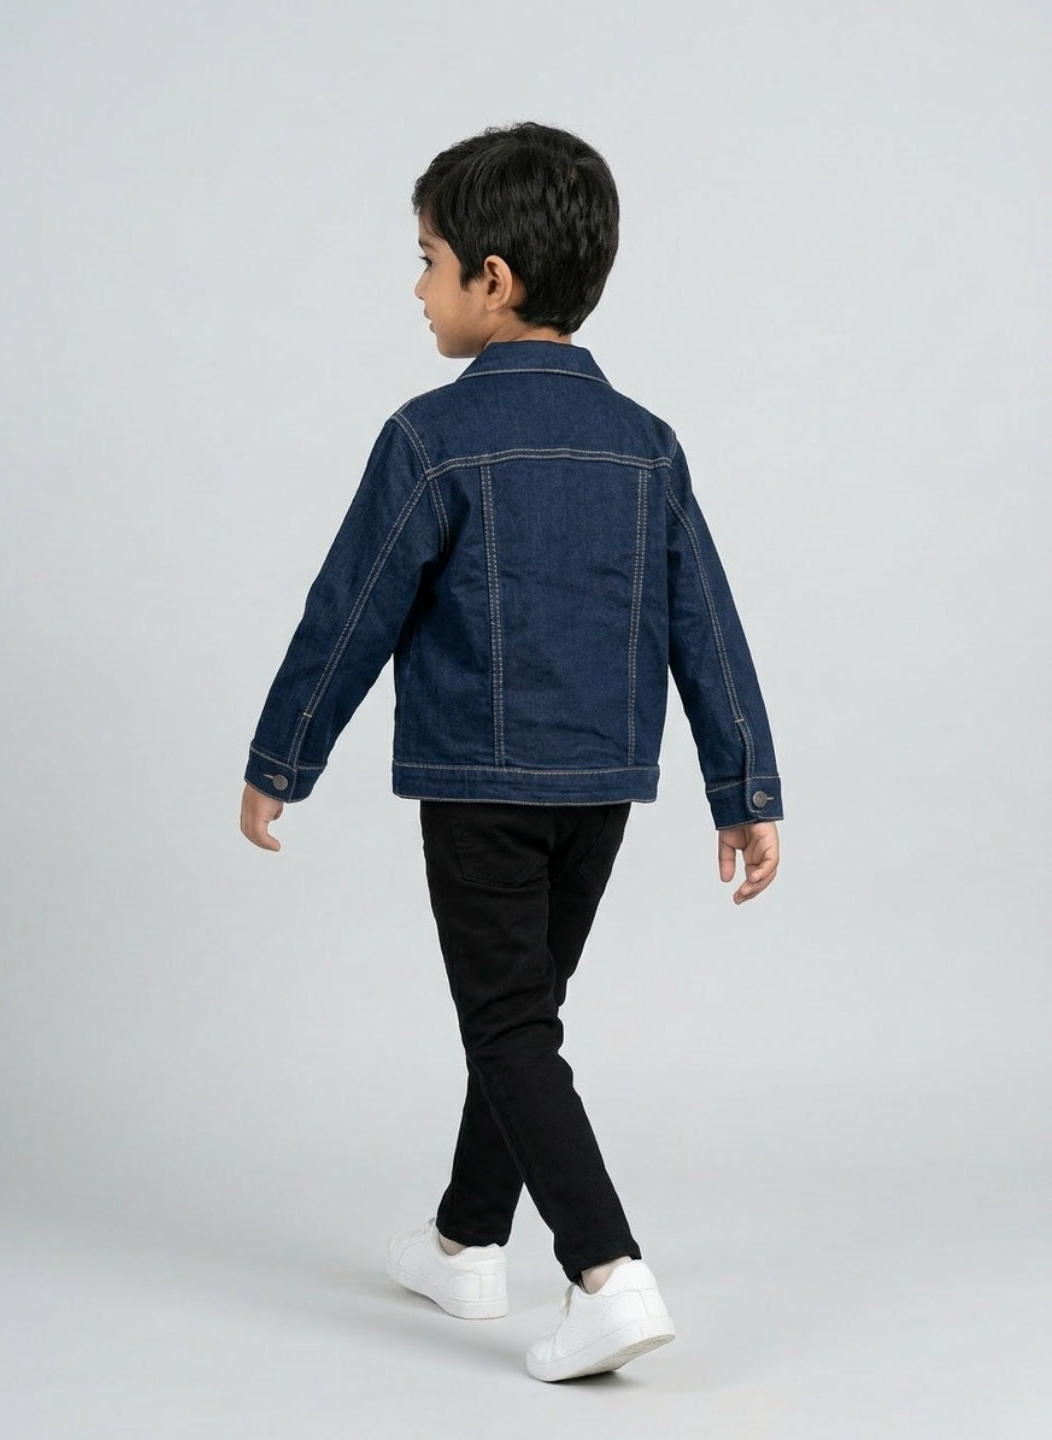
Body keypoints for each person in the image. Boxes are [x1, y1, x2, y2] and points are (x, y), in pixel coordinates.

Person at [239, 120, 783, 1383]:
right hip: (605, 781)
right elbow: (706, 620)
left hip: (479, 784)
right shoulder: (647, 442)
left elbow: (351, 609)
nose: (416, 288)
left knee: (508, 1026)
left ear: (494, 278)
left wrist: (280, 758)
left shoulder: (430, 437)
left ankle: (607, 1273)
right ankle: (466, 1240)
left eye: (427, 261)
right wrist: (743, 788)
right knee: (520, 1017)